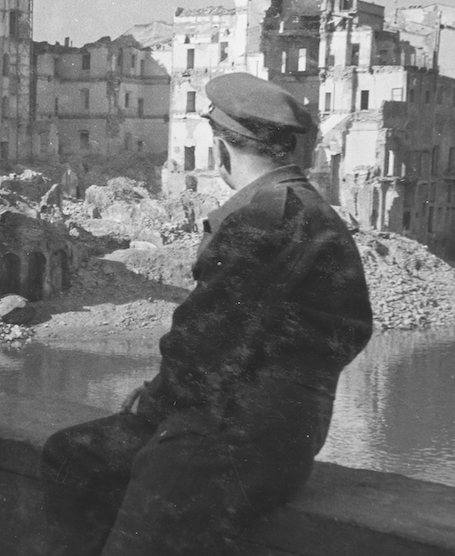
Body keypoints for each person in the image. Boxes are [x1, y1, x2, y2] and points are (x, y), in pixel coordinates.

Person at [42, 72, 373, 556]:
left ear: (219, 149)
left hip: (223, 445)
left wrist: (151, 406)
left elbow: (200, 347)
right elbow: (348, 334)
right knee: (69, 454)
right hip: (286, 436)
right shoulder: (312, 211)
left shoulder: (263, 218)